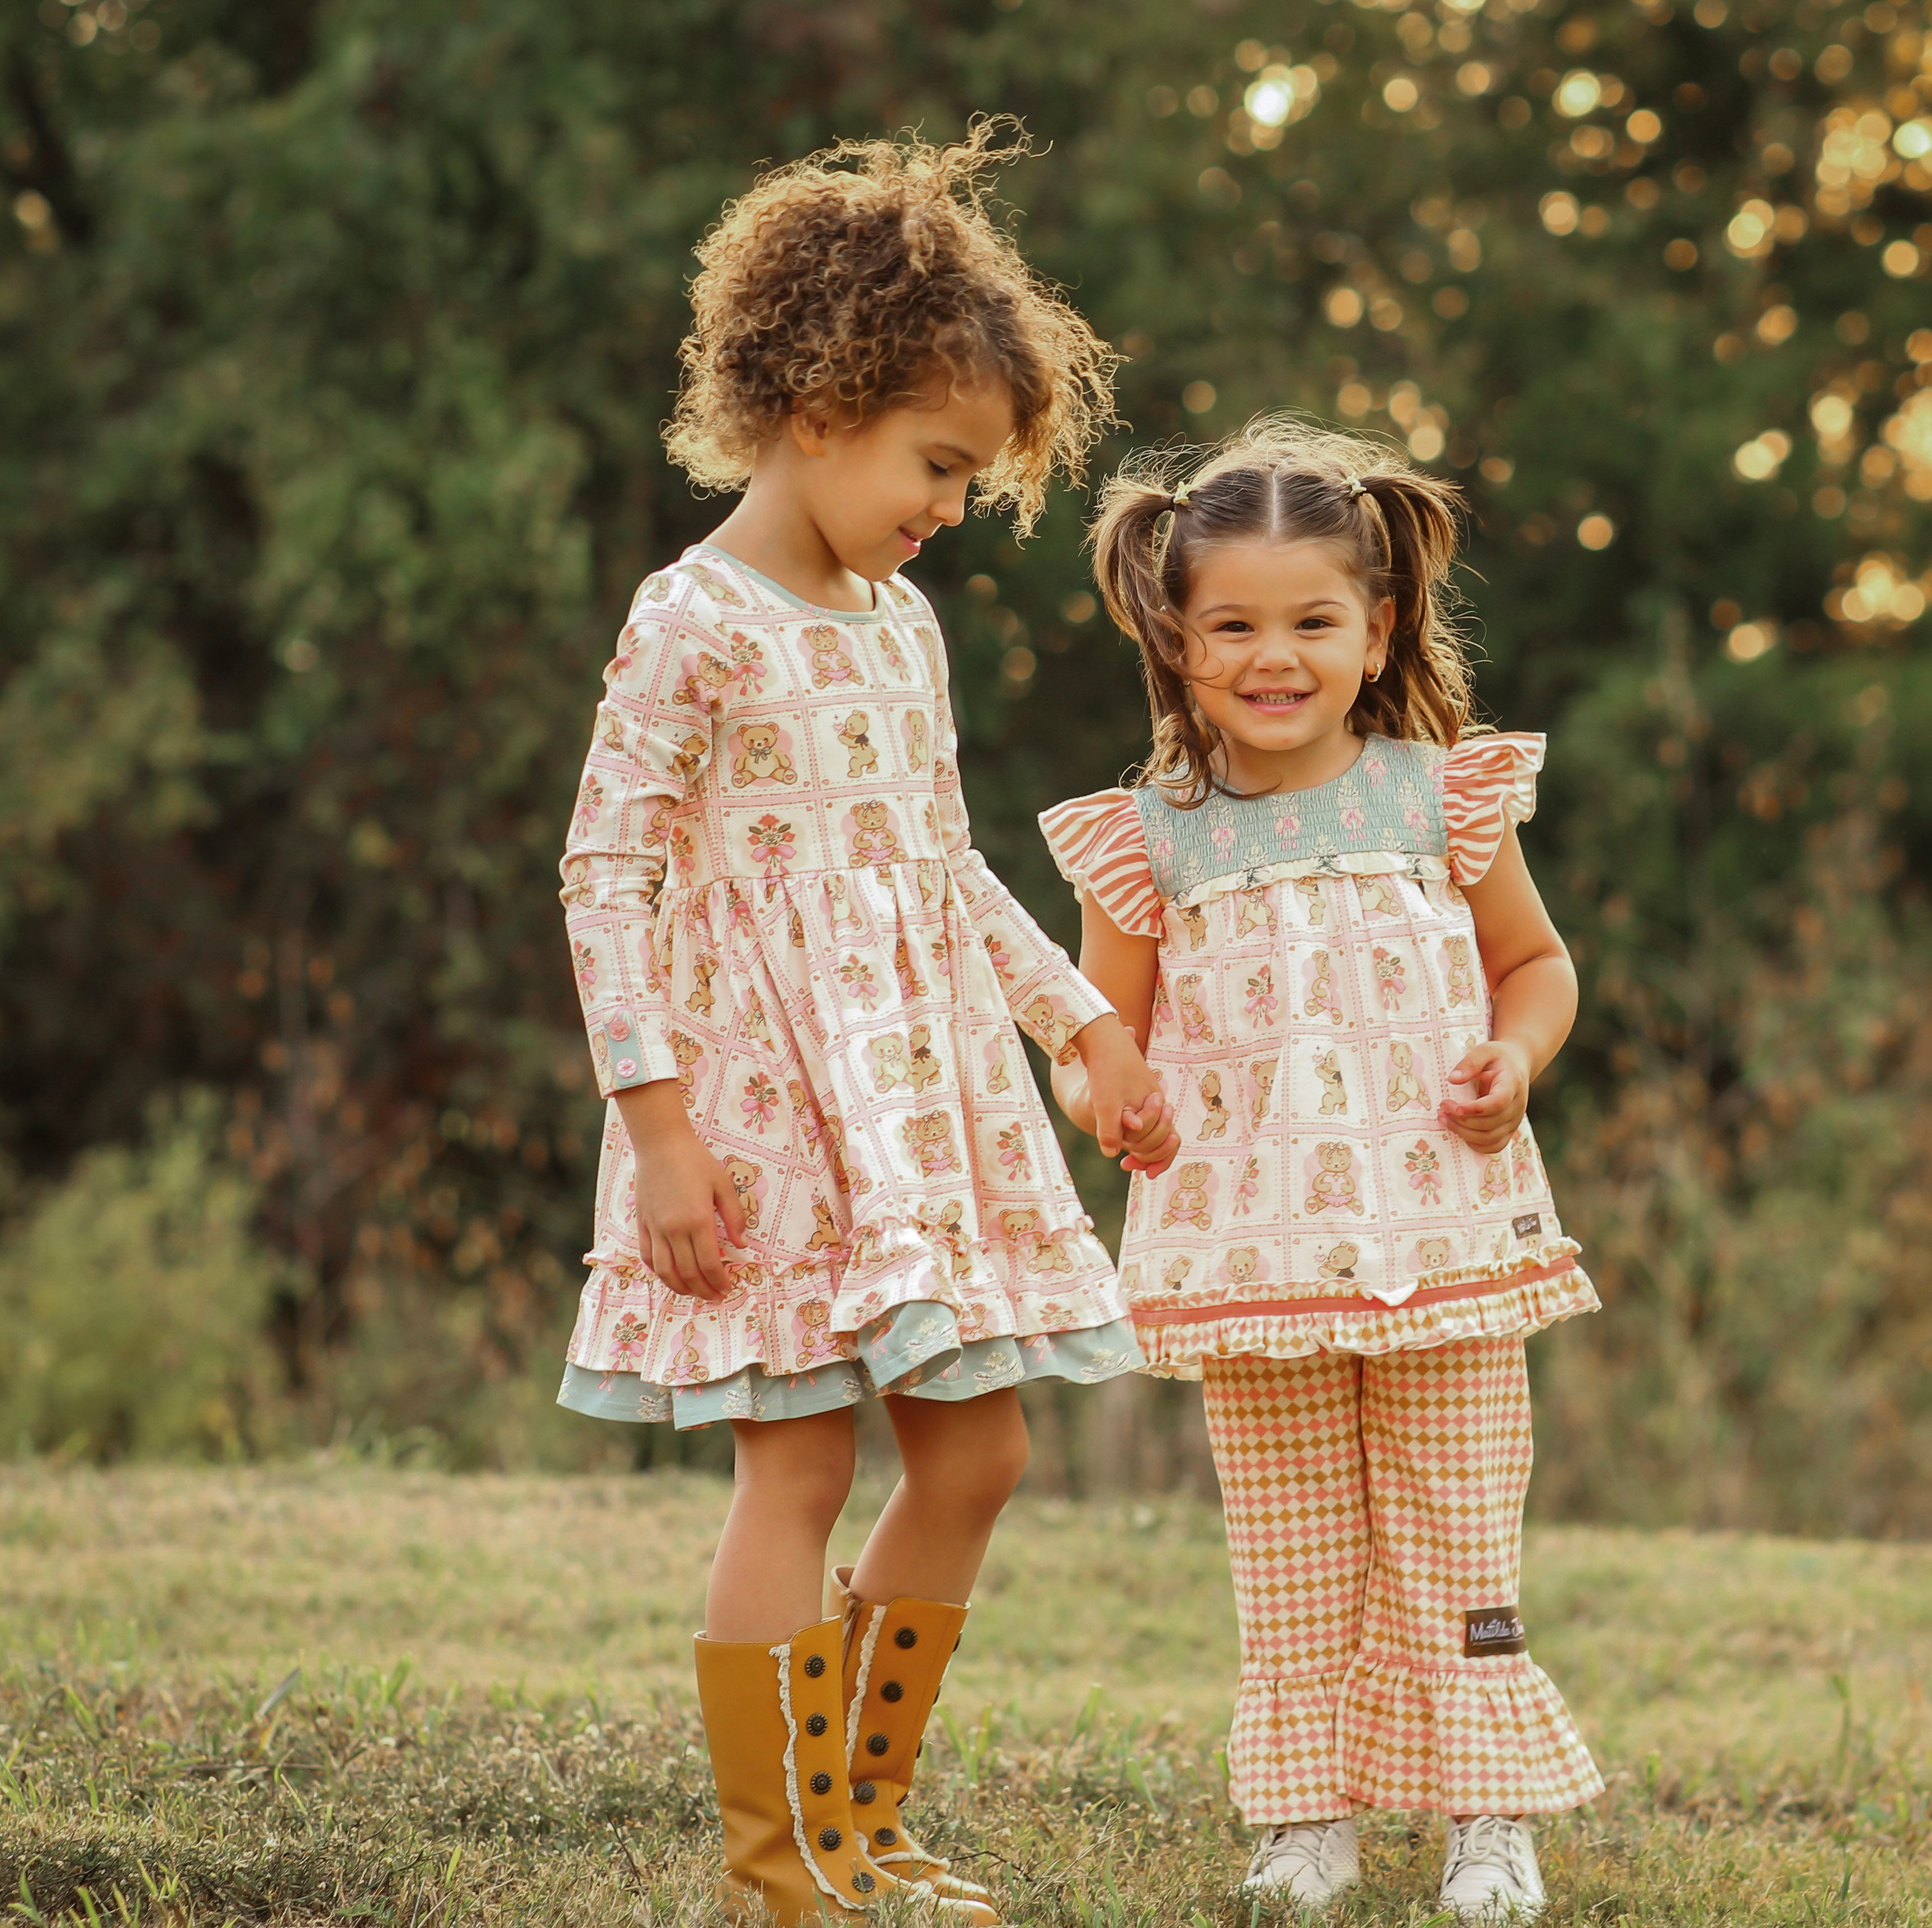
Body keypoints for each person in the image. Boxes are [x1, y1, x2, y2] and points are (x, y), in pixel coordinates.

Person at [555, 123, 1175, 1927]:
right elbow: (603, 875)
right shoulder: (692, 620)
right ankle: (786, 1869)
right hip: (755, 1115)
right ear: (818, 409)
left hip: (917, 1106)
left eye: (972, 478)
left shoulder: (901, 626)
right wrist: (656, 1128)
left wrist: (1079, 1027)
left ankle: (863, 1820)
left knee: (979, 1450)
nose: (951, 507)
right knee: (805, 1459)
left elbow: (940, 868)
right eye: (939, 464)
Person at [1039, 418, 1603, 1923]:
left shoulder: (1440, 798)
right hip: (1252, 1259)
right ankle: (1309, 1819)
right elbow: (1100, 1039)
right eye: (1232, 625)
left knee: (1458, 1531)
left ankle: (1490, 1816)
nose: (1271, 656)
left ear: (1379, 629)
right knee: (1291, 1550)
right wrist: (1111, 1101)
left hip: (1442, 1242)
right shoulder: (1148, 841)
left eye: (1312, 622)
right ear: (1176, 636)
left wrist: (1517, 1059)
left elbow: (1536, 965)